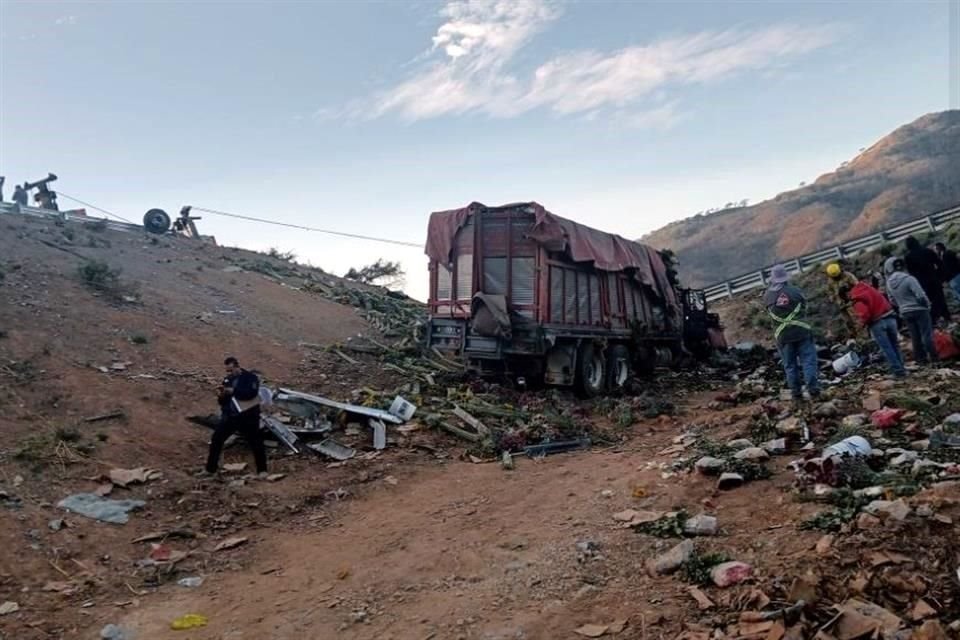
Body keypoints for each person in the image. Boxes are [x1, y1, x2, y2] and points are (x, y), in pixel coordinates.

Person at [763, 264, 820, 405]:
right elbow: (805, 306)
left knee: (790, 365)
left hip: (783, 336)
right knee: (808, 361)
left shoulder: (767, 296)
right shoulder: (794, 291)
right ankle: (813, 390)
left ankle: (796, 395)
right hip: (802, 331)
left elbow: (769, 314)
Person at [204, 357, 267, 475]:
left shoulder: (250, 378)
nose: (229, 373)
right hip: (231, 416)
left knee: (256, 443)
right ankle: (210, 469)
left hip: (248, 417)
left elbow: (250, 394)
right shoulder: (227, 380)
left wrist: (233, 391)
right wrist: (221, 395)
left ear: (237, 367)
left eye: (231, 370)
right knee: (217, 439)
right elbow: (223, 401)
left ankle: (262, 470)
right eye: (227, 371)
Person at [841, 280, 905, 378]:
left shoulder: (857, 298)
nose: (849, 300)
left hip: (877, 323)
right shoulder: (869, 288)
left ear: (847, 293)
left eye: (847, 298)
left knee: (887, 348)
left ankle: (898, 371)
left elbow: (865, 315)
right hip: (890, 318)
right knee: (895, 345)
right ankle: (902, 368)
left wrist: (861, 325)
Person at [885, 257, 938, 365]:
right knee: (926, 334)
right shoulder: (909, 279)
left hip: (905, 312)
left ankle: (921, 359)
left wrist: (902, 305)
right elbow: (920, 295)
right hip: (920, 310)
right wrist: (927, 305)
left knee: (915, 336)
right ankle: (934, 358)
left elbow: (891, 300)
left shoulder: (889, 283)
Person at [903, 236, 950, 324]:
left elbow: (911, 273)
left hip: (921, 284)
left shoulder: (908, 257)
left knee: (931, 302)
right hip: (934, 280)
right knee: (940, 300)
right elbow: (940, 264)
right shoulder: (927, 251)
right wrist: (941, 277)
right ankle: (944, 318)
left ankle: (936, 319)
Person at [824, 262, 861, 338]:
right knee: (848, 322)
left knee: (857, 320)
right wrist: (832, 297)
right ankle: (855, 337)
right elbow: (829, 291)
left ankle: (863, 337)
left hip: (852, 303)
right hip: (841, 305)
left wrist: (848, 290)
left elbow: (858, 287)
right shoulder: (830, 280)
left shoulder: (848, 276)